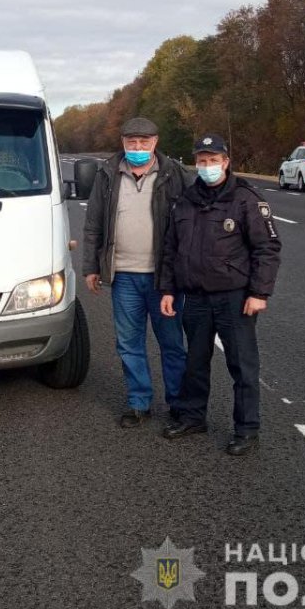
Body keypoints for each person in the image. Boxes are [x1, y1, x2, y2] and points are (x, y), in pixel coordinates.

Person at [159, 133, 281, 455]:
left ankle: (247, 430)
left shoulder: (246, 199)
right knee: (195, 363)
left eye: (213, 160)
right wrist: (168, 289)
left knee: (242, 366)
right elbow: (171, 249)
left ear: (226, 162)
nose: (208, 166)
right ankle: (193, 417)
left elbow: (267, 248)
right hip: (196, 296)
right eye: (202, 161)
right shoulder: (186, 200)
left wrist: (259, 292)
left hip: (234, 297)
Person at [82, 117, 193, 427]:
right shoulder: (107, 174)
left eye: (144, 142)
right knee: (129, 343)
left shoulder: (175, 174)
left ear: (155, 142)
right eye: (132, 142)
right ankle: (139, 402)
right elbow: (93, 224)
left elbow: (195, 219)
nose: (138, 147)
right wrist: (91, 267)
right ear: (123, 142)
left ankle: (178, 403)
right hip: (124, 276)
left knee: (171, 344)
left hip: (163, 278)